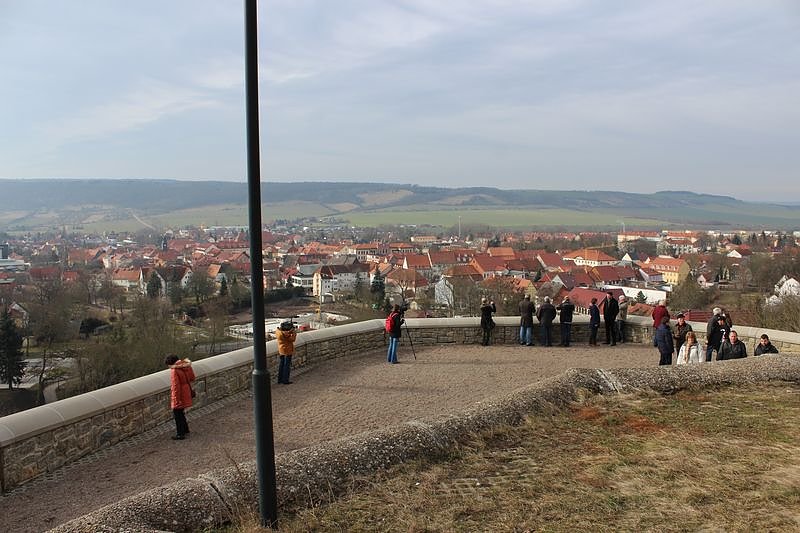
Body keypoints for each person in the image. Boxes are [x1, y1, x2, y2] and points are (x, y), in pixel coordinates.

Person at [164, 354, 195, 440]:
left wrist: (176, 399)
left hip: (180, 393)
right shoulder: (186, 365)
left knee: (177, 413)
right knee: (181, 412)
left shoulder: (174, 370)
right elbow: (192, 377)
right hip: (187, 391)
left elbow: (175, 386)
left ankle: (180, 433)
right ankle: (185, 429)